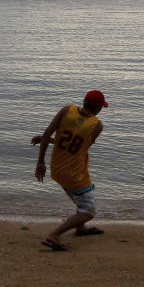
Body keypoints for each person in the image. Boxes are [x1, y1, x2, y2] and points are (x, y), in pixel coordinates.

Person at [32, 90, 108, 250]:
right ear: (98, 108)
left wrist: (40, 162)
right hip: (75, 174)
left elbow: (47, 136)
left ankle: (80, 228)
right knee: (88, 210)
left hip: (57, 170)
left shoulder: (67, 110)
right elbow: (79, 145)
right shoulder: (97, 126)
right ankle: (54, 235)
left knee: (80, 200)